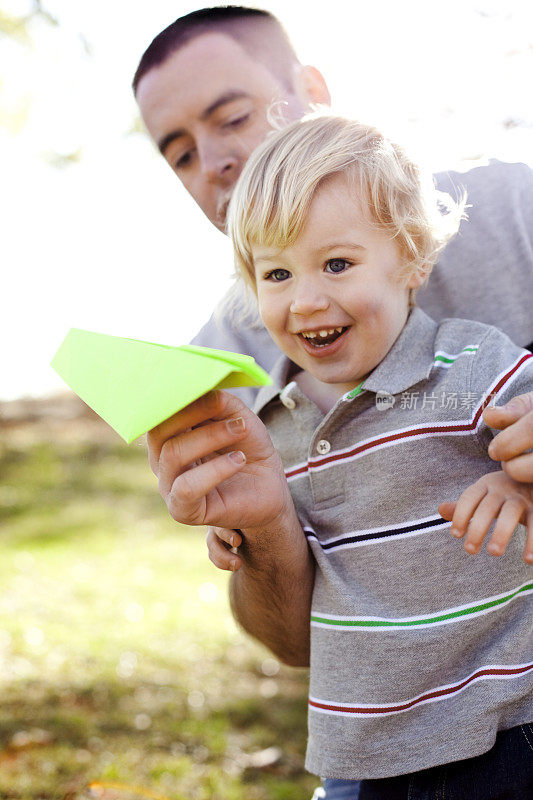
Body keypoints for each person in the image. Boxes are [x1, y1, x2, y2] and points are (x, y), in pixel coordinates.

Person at [148, 114, 533, 797]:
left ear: (410, 256)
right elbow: (292, 595)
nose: (306, 300)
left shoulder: (470, 364)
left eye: (336, 264)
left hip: (506, 732)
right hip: (371, 754)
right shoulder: (271, 434)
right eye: (275, 273)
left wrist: (520, 484)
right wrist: (251, 541)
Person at [134, 6, 533, 581]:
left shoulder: (510, 209)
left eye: (233, 118)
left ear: (313, 91)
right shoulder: (220, 370)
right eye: (182, 155)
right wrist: (261, 538)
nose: (215, 163)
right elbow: (292, 644)